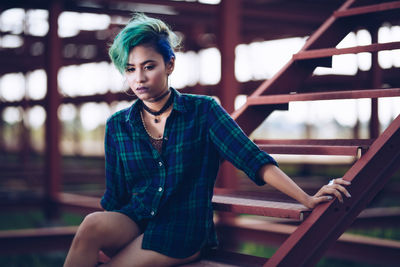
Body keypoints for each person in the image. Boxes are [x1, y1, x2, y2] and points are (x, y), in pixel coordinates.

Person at [64, 13, 351, 267]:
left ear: (170, 65)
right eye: (130, 69)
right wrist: (108, 243)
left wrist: (306, 197)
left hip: (181, 231)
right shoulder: (118, 125)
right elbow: (115, 196)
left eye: (148, 66)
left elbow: (252, 159)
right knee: (91, 225)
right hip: (136, 219)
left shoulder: (203, 111)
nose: (139, 78)